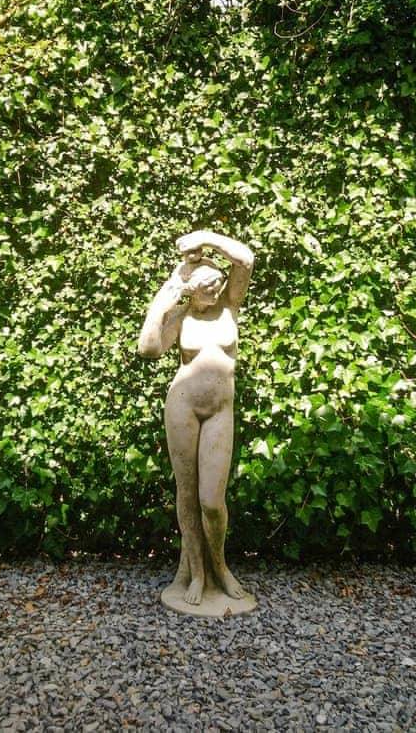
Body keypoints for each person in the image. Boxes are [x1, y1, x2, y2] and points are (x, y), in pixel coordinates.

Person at [137, 230, 254, 606]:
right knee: (186, 495)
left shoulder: (230, 306)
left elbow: (245, 260)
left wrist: (204, 237)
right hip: (182, 406)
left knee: (212, 501)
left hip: (220, 410)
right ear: (191, 292)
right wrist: (161, 305)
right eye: (206, 289)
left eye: (217, 285)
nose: (215, 293)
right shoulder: (182, 316)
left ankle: (220, 566)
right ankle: (196, 572)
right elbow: (148, 349)